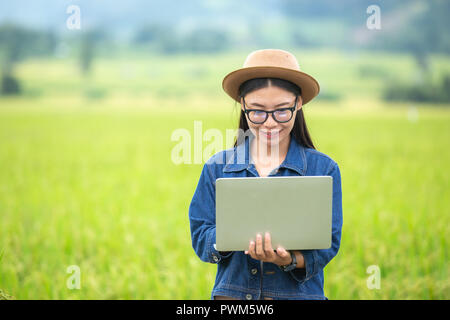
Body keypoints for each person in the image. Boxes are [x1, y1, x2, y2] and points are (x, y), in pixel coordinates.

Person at [188, 49, 343, 300]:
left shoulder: (324, 169)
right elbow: (200, 238)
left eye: (282, 110)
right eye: (257, 111)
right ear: (243, 105)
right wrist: (232, 234)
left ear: (298, 103)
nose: (270, 123)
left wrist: (290, 259)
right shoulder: (217, 168)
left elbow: (329, 244)